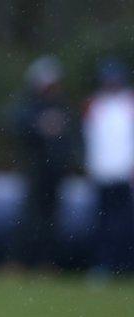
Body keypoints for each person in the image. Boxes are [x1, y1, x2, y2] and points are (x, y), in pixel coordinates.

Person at [5, 55, 77, 270]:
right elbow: (16, 124)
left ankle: (46, 262)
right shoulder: (30, 107)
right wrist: (40, 126)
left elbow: (72, 138)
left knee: (50, 219)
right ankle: (19, 261)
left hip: (54, 173)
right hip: (35, 171)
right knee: (28, 217)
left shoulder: (62, 107)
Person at [83, 57, 134, 276]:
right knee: (103, 223)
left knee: (124, 223)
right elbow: (90, 139)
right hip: (101, 173)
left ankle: (124, 264)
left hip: (125, 174)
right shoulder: (95, 105)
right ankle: (104, 265)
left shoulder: (129, 103)